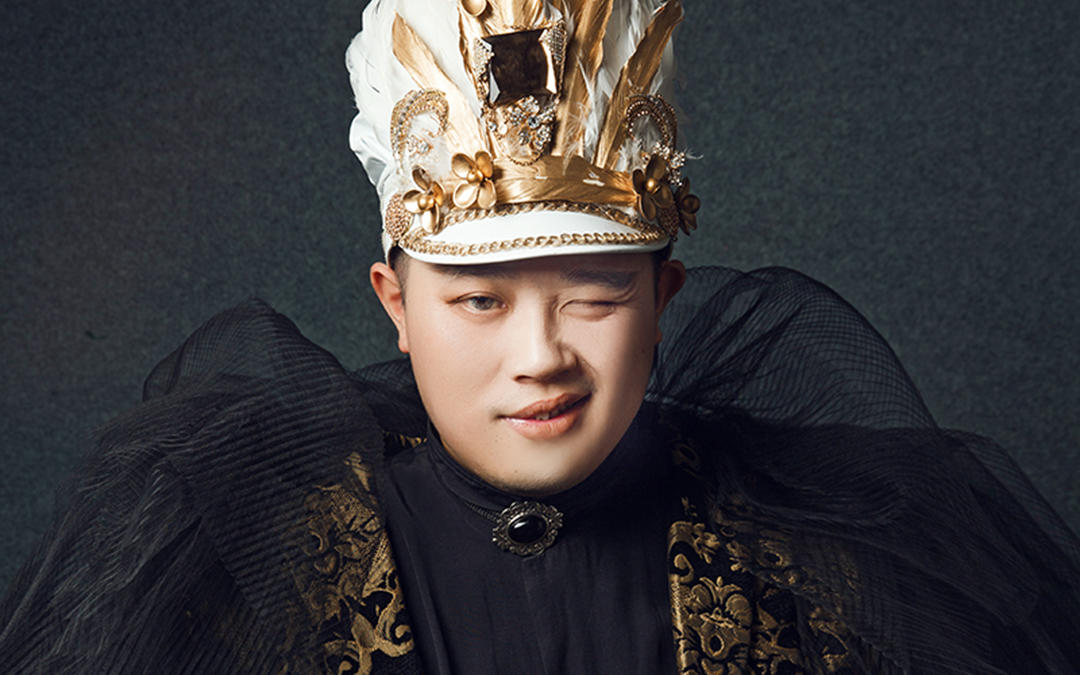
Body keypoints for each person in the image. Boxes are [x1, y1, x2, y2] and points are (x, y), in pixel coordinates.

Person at [2, 0, 1078, 672]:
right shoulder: (246, 569)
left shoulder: (825, 566)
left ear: (662, 300)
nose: (540, 356)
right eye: (479, 300)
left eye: (595, 297)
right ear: (395, 305)